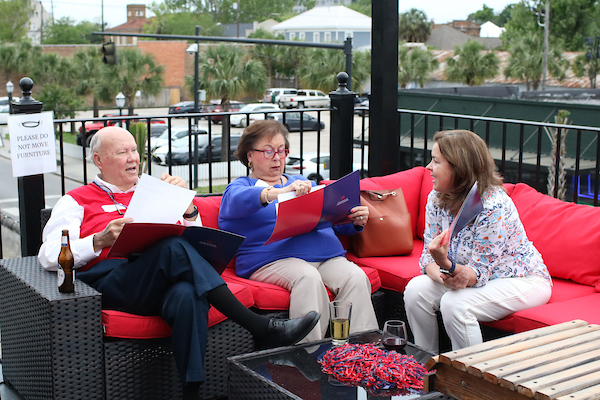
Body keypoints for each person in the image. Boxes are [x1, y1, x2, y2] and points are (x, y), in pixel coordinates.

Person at [38, 126, 320, 400]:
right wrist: (98, 240)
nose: (134, 158)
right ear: (99, 160)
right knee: (172, 249)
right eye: (123, 152)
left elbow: (193, 234)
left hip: (161, 282)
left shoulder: (154, 190)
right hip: (114, 284)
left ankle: (191, 392)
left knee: (188, 294)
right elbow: (48, 255)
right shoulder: (76, 200)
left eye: (135, 151)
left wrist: (187, 206)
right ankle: (259, 327)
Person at [218, 120, 378, 343]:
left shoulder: (301, 182)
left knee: (356, 276)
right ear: (249, 156)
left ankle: (358, 354)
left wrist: (355, 219)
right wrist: (276, 193)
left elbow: (333, 220)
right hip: (273, 260)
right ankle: (308, 356)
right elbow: (236, 202)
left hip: (325, 256)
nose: (277, 157)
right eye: (268, 150)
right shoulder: (240, 187)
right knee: (307, 277)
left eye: (282, 150)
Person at [404, 129, 552, 354]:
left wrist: (447, 265)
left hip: (522, 279)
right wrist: (444, 276)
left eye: (436, 161)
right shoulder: (436, 198)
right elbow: (427, 256)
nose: (428, 167)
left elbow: (477, 274)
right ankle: (424, 366)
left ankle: (468, 382)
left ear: (459, 167)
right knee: (416, 289)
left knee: (455, 305)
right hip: (466, 277)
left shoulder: (492, 206)